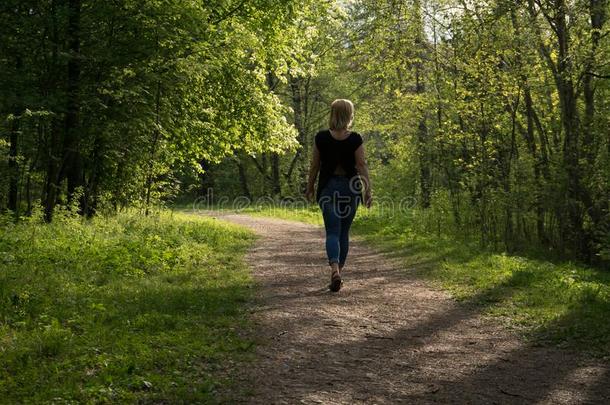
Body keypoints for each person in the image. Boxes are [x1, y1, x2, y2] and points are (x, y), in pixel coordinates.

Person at [305, 99, 372, 292]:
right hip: (350, 189)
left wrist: (309, 187)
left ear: (332, 114)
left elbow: (315, 166)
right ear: (349, 115)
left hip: (328, 188)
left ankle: (335, 270)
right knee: (343, 232)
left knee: (332, 232)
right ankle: (338, 274)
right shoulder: (355, 139)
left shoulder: (321, 138)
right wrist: (368, 190)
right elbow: (361, 166)